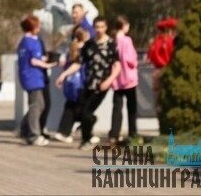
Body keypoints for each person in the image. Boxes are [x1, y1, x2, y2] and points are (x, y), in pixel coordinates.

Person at [55, 15, 121, 150]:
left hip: (102, 85)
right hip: (88, 83)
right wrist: (64, 74)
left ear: (106, 28)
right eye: (97, 27)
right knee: (83, 111)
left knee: (86, 112)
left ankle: (87, 138)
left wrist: (109, 80)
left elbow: (117, 65)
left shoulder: (111, 44)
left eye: (102, 27)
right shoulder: (89, 44)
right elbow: (79, 63)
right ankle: (87, 137)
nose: (99, 30)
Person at [18, 15, 55, 146]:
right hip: (33, 78)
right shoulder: (31, 41)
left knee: (39, 105)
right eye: (37, 26)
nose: (39, 28)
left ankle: (24, 129)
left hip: (30, 77)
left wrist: (45, 59)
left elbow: (35, 57)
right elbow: (34, 60)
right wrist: (47, 65)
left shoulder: (25, 41)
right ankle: (34, 135)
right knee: (36, 106)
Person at [52, 26, 89, 143]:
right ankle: (85, 132)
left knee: (70, 106)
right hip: (81, 83)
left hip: (70, 83)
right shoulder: (83, 49)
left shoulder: (71, 49)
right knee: (83, 108)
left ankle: (64, 131)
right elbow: (78, 65)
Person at [109, 16, 139, 145]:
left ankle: (114, 134)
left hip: (116, 79)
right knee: (131, 107)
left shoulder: (112, 40)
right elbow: (130, 59)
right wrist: (135, 63)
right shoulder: (127, 40)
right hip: (129, 78)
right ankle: (133, 133)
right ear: (124, 25)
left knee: (117, 107)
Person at [147, 17, 177, 118]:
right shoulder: (171, 41)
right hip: (169, 70)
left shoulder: (155, 42)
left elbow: (150, 58)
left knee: (158, 100)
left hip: (157, 71)